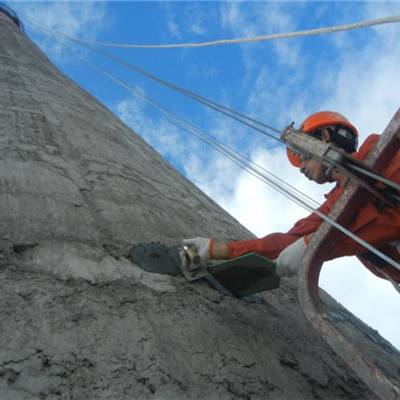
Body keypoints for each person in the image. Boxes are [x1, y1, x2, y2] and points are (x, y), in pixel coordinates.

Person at [183, 111, 400, 284]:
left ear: (323, 138)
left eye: (300, 156)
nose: (300, 168)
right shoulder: (336, 205)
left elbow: (392, 211)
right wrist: (216, 250)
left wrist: (315, 243)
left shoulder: (385, 148)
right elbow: (287, 242)